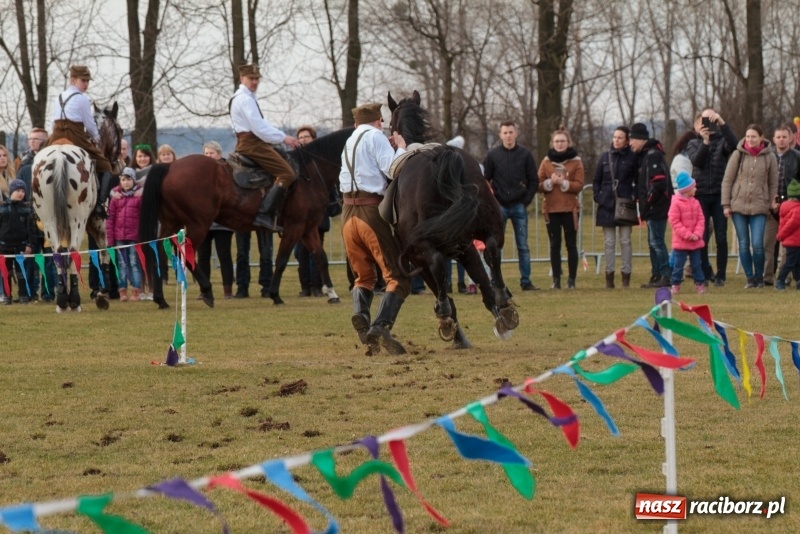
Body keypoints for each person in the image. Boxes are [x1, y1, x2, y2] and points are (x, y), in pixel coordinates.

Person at [340, 102, 409, 355]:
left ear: (356, 123)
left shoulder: (349, 142)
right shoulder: (377, 137)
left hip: (347, 214)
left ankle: (360, 314)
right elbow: (393, 168)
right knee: (397, 277)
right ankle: (379, 327)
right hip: (371, 212)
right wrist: (400, 148)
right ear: (379, 121)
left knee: (363, 277)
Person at [230, 63, 299, 232]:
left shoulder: (245, 97)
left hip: (252, 142)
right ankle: (264, 213)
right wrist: (285, 138)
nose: (255, 82)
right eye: (251, 79)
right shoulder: (245, 99)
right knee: (287, 173)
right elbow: (259, 128)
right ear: (242, 79)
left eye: (256, 79)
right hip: (252, 144)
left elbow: (262, 125)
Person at [44, 65, 112, 218]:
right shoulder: (82, 98)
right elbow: (89, 124)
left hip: (56, 134)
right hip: (75, 134)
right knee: (105, 165)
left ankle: (34, 202)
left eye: (88, 81)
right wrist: (97, 138)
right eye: (83, 80)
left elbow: (52, 122)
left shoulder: (59, 96)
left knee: (38, 161)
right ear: (73, 80)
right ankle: (100, 205)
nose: (86, 84)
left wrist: (50, 138)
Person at [685, 109, 738, 287]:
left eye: (708, 122)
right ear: (695, 126)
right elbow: (697, 161)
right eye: (702, 122)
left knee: (721, 236)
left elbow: (735, 144)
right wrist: (705, 142)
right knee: (702, 236)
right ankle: (705, 273)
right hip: (700, 195)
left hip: (719, 195)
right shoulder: (692, 143)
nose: (705, 126)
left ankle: (721, 275)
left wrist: (722, 123)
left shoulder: (722, 141)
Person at [483, 120, 539, 291]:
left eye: (510, 132)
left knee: (523, 245)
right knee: (495, 245)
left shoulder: (525, 155)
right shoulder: (492, 155)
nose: (508, 135)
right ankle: (495, 280)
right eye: (505, 133)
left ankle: (526, 281)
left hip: (519, 207)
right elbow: (486, 180)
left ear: (516, 133)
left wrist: (525, 201)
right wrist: (493, 201)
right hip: (499, 207)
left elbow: (533, 180)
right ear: (500, 135)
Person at [721, 124, 778, 288]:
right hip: (738, 206)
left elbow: (773, 183)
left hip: (760, 207)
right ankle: (750, 278)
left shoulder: (770, 157)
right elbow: (727, 180)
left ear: (761, 138)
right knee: (743, 243)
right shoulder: (737, 155)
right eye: (747, 136)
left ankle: (760, 277)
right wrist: (726, 204)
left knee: (758, 244)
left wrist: (770, 203)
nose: (750, 139)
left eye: (754, 136)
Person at [538, 128, 584, 289]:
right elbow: (538, 183)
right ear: (553, 143)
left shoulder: (576, 161)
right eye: (557, 141)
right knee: (554, 245)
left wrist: (565, 183)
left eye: (562, 141)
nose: (559, 144)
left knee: (571, 245)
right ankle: (556, 279)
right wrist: (550, 182)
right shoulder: (546, 162)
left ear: (568, 143)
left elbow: (579, 184)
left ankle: (571, 280)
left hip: (570, 209)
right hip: (551, 209)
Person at [593, 126, 638, 289]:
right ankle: (609, 277)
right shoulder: (605, 157)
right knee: (609, 242)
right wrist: (598, 197)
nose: (616, 140)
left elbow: (638, 180)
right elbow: (596, 179)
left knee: (626, 241)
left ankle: (626, 276)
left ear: (626, 140)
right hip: (606, 205)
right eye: (614, 137)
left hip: (625, 204)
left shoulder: (632, 158)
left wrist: (633, 195)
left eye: (620, 137)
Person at [629, 122, 673, 288]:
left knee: (657, 242)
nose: (630, 143)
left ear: (641, 140)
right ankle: (656, 274)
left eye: (632, 139)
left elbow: (659, 183)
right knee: (652, 242)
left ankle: (665, 275)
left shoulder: (653, 155)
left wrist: (647, 202)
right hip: (653, 207)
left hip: (657, 207)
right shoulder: (647, 155)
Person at [15, 128, 50, 302]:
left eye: (36, 139)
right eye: (30, 139)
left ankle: (48, 293)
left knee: (50, 258)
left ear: (45, 140)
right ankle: (29, 292)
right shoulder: (24, 164)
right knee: (31, 258)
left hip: (49, 217)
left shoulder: (51, 161)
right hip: (29, 219)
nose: (32, 141)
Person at [197, 141, 236, 299]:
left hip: (222, 223)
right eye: (206, 153)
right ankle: (204, 289)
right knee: (203, 257)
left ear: (219, 154)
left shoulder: (227, 171)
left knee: (224, 256)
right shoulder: (198, 173)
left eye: (211, 153)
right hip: (204, 223)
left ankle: (228, 290)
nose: (208, 156)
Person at [293, 125, 327, 297]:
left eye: (306, 136)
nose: (303, 139)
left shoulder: (319, 160)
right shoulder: (295, 160)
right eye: (300, 137)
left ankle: (317, 286)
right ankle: (305, 287)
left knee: (316, 250)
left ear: (314, 139)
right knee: (300, 252)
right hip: (299, 214)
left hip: (316, 212)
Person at [764, 124, 800, 285]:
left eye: (784, 136)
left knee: (789, 244)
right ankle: (768, 276)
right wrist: (771, 201)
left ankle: (784, 277)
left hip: (791, 207)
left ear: (791, 137)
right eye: (778, 137)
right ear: (773, 139)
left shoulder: (797, 157)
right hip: (770, 205)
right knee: (768, 243)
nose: (781, 140)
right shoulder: (767, 156)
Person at [106, 167, 143, 301]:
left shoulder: (139, 197)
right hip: (119, 237)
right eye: (123, 180)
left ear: (133, 180)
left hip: (134, 237)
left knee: (134, 263)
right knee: (121, 264)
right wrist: (110, 240)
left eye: (128, 179)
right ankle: (122, 291)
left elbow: (142, 218)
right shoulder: (116, 198)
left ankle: (135, 291)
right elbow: (110, 220)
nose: (126, 182)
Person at [668, 172, 706, 294]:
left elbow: (701, 219)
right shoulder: (676, 203)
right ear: (687, 189)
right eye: (693, 187)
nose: (695, 188)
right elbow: (675, 222)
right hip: (681, 242)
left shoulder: (696, 203)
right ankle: (675, 284)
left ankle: (700, 284)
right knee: (678, 265)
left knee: (696, 264)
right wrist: (688, 235)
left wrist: (697, 234)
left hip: (695, 241)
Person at [0, 179, 35, 304]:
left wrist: (29, 245)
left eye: (22, 191)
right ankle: (7, 296)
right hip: (4, 246)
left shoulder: (27, 209)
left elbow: (31, 229)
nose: (21, 193)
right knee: (6, 273)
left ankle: (23, 296)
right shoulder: (2, 208)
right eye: (17, 190)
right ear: (11, 191)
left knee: (21, 273)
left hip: (21, 246)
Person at [775, 180, 800, 290]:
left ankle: (798, 280)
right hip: (795, 242)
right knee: (790, 263)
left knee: (796, 263)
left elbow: (783, 224)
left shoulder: (784, 207)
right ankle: (780, 279)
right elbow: (790, 225)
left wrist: (781, 236)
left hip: (790, 242)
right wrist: (781, 235)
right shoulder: (797, 210)